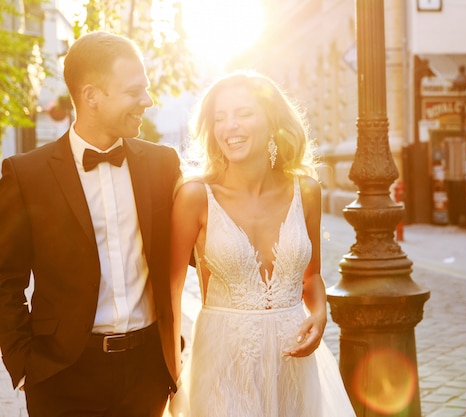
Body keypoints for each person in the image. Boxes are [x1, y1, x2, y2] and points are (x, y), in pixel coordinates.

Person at [0, 31, 181, 416]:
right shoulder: (26, 174)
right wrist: (23, 366)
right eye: (135, 91)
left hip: (146, 373)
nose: (146, 101)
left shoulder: (163, 164)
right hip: (61, 376)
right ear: (92, 96)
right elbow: (5, 278)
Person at [166, 70, 356, 416]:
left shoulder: (307, 191)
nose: (230, 127)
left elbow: (310, 278)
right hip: (223, 367)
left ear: (272, 121)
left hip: (294, 365)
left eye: (243, 113)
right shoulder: (196, 196)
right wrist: (172, 373)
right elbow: (171, 292)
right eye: (220, 117)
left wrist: (319, 312)